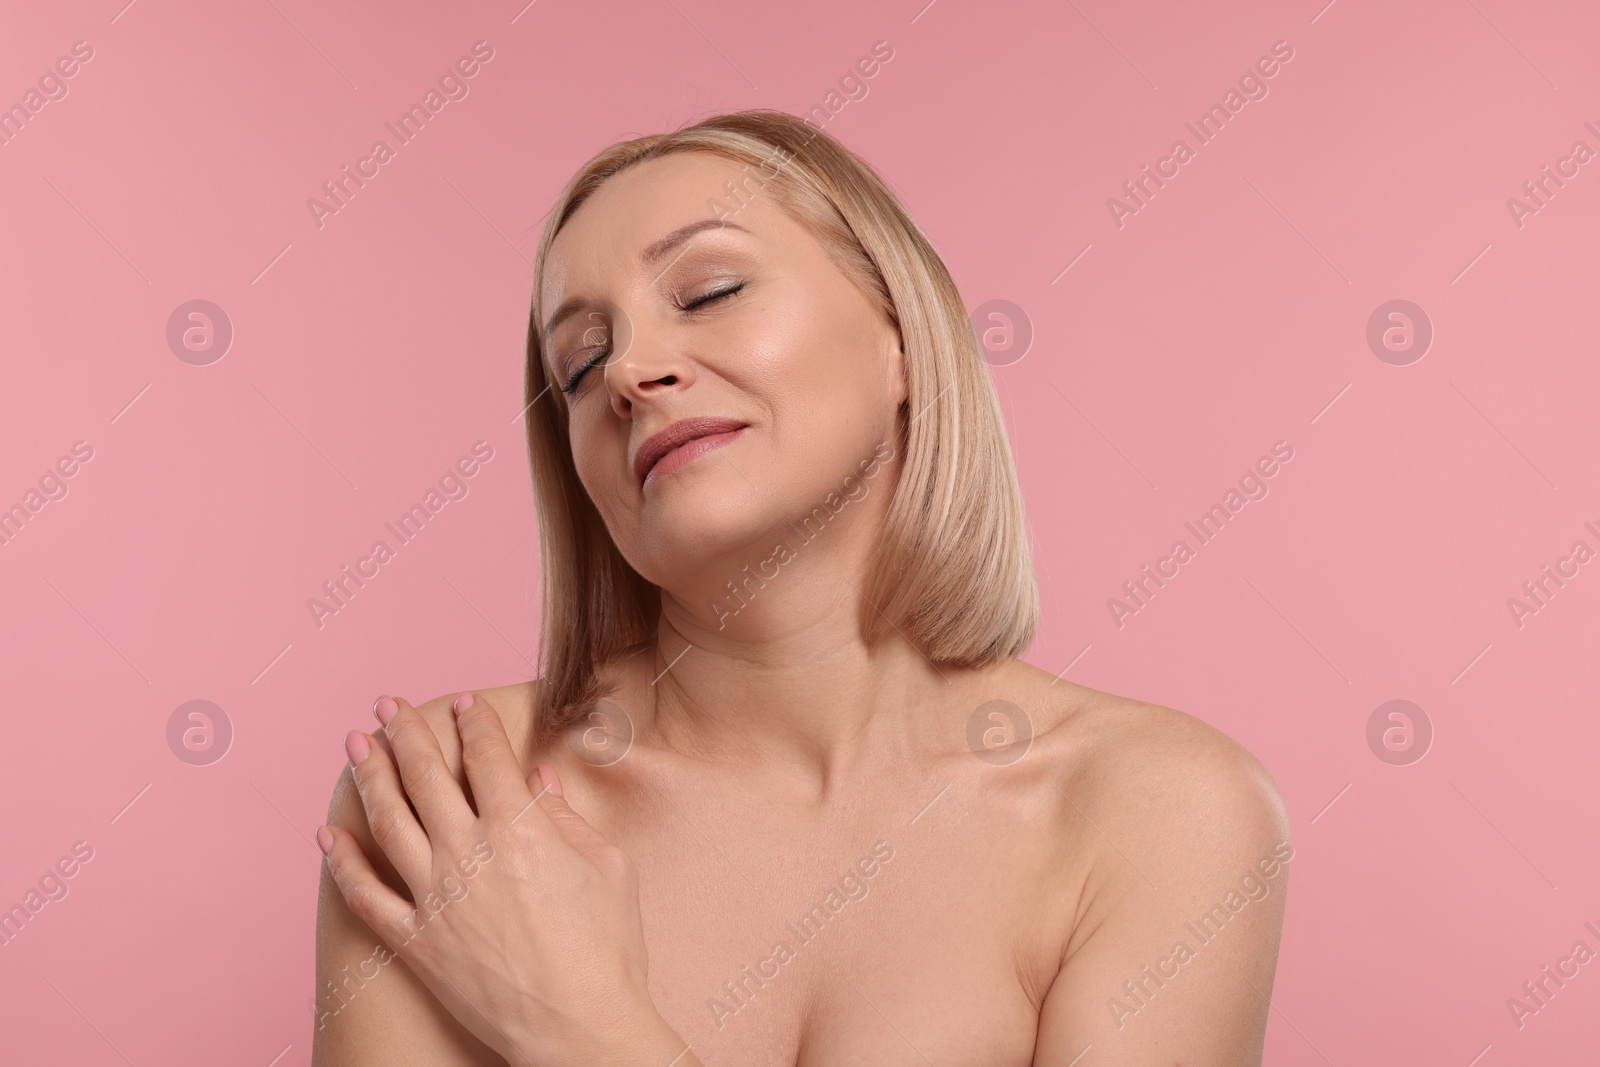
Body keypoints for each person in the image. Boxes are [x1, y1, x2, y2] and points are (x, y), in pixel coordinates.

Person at [311, 109, 1290, 1066]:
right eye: (581, 361)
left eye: (708, 291)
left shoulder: (1161, 810)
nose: (632, 372)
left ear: (899, 336)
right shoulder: (446, 803)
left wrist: (584, 1027)